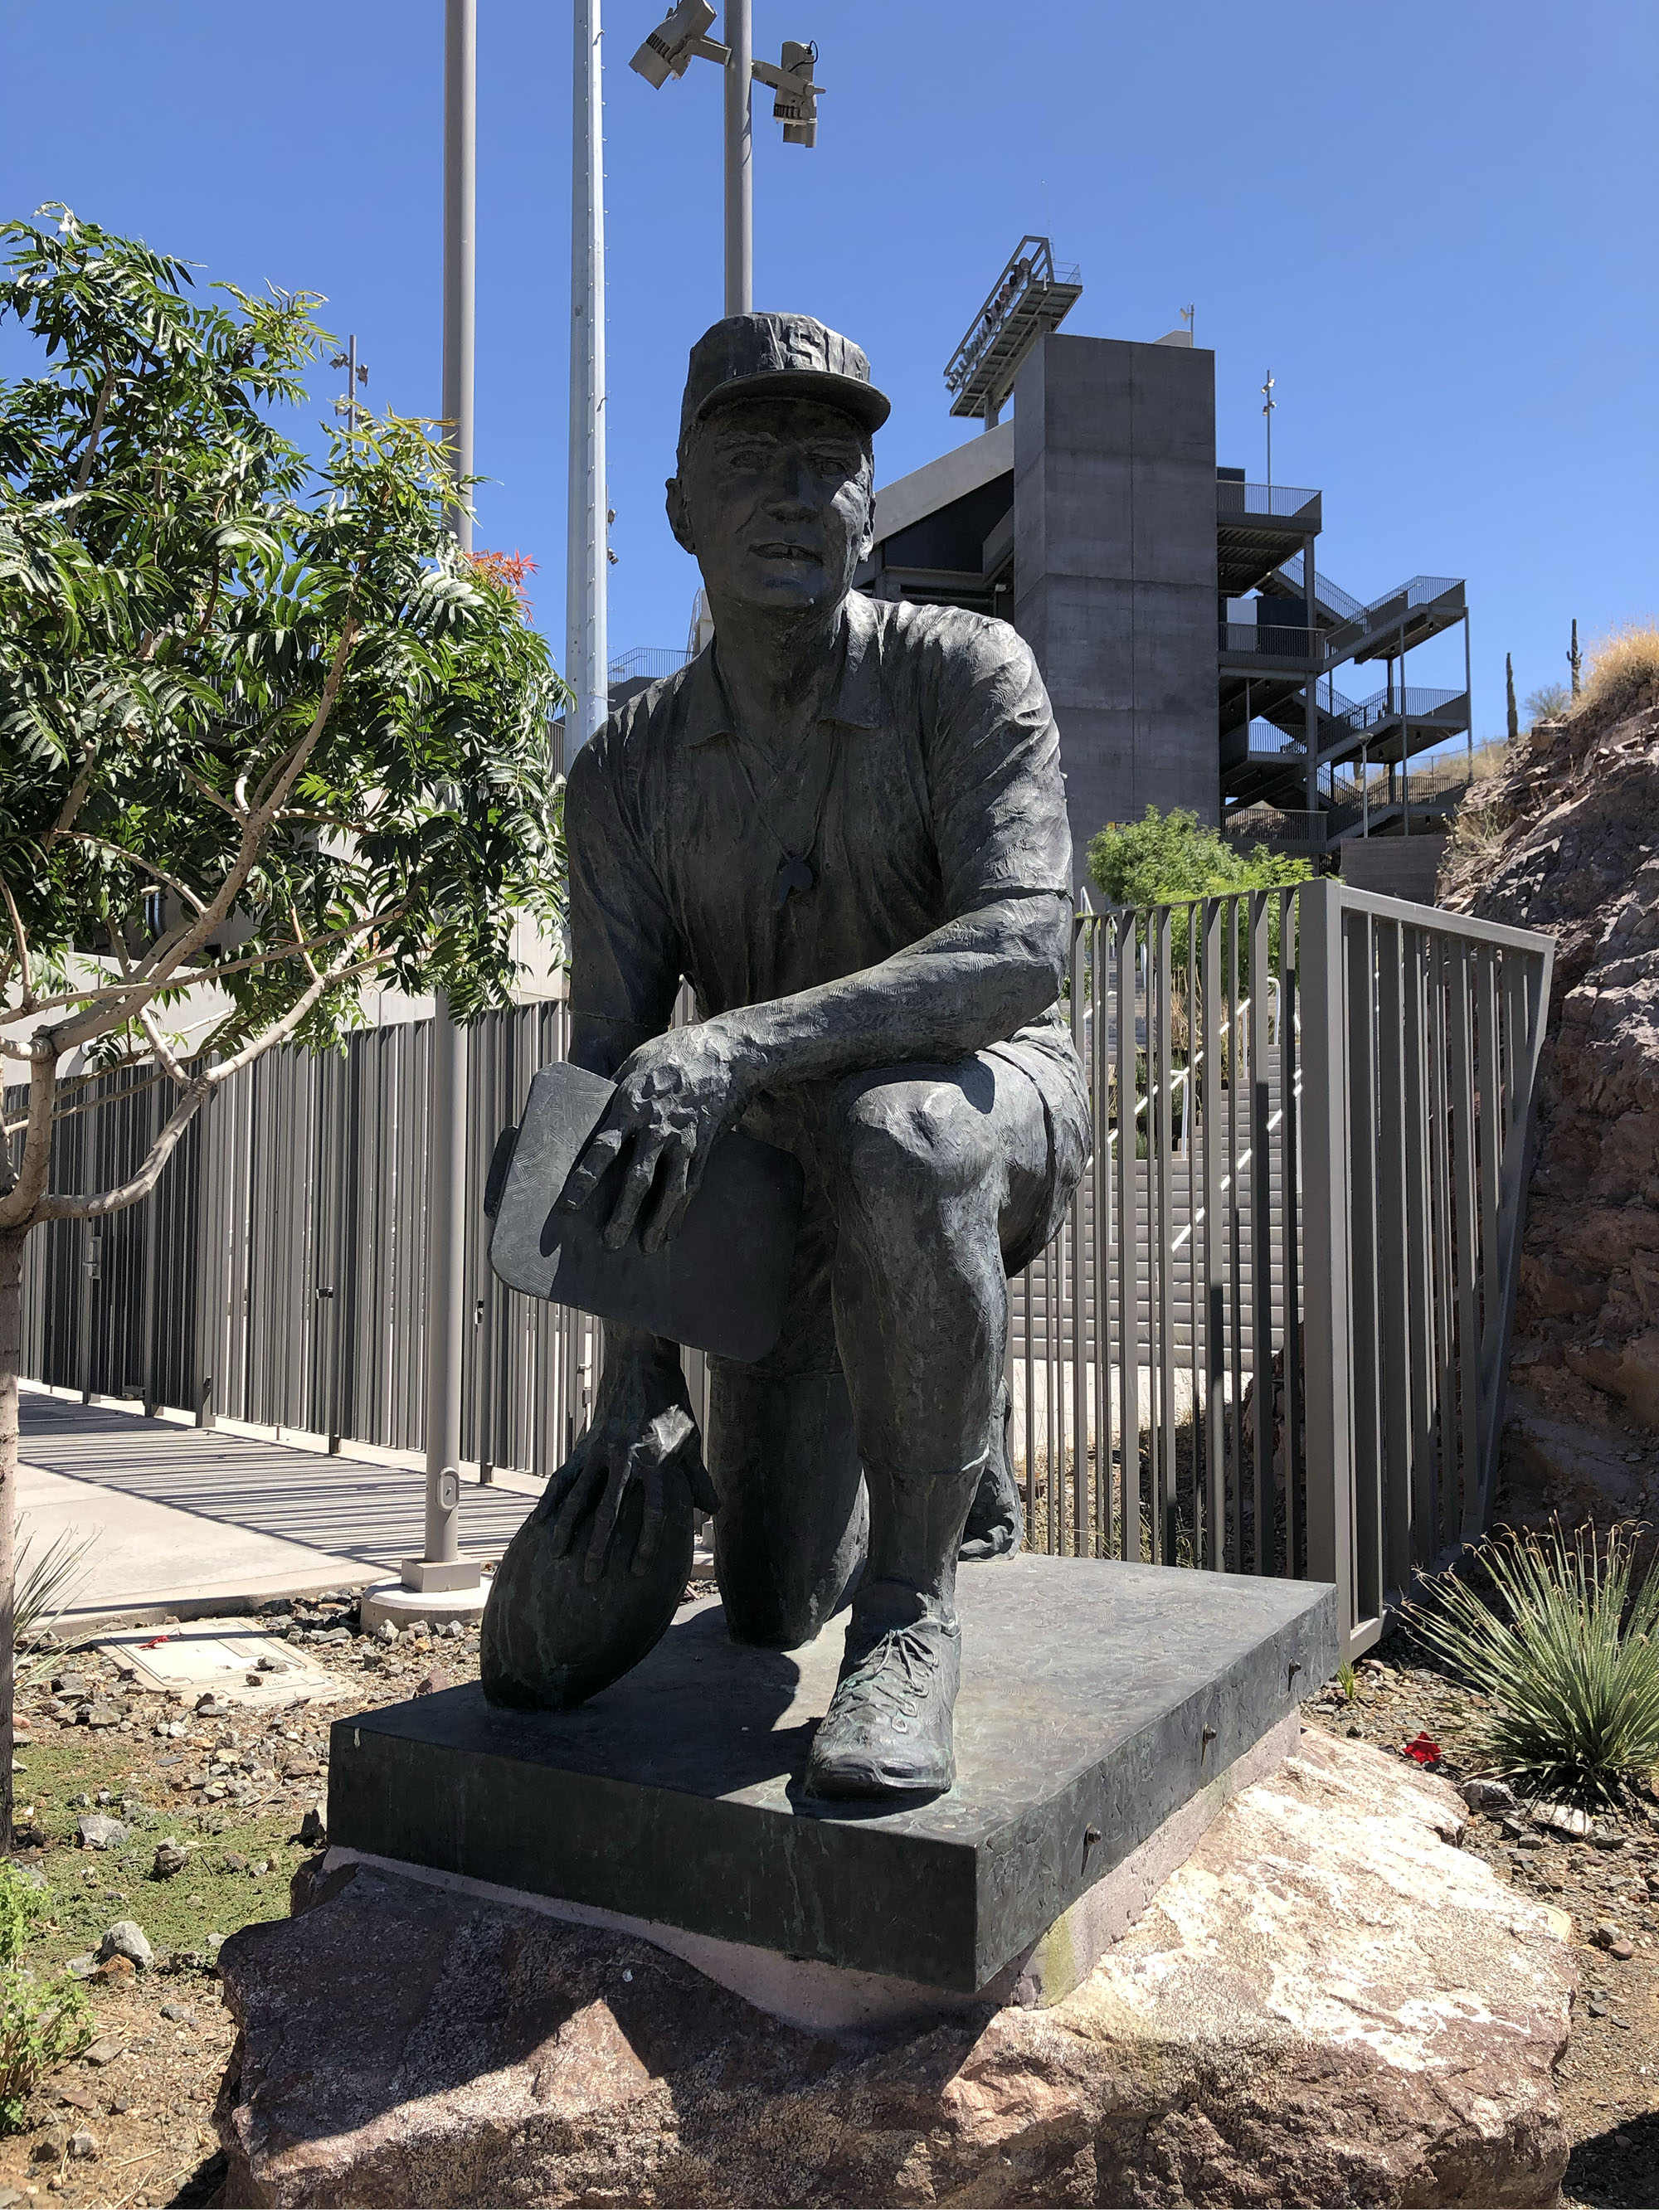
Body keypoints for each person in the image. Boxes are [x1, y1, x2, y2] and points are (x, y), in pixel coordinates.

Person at [533, 312, 1087, 1800]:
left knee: (900, 1136)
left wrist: (738, 1048)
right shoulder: (628, 772)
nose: (795, 494)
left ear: (865, 502)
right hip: (779, 1151)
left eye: (831, 464)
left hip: (992, 1092)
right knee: (770, 1597)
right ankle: (933, 1430)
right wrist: (630, 1394)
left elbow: (1024, 945)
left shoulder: (965, 672)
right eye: (751, 462)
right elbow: (608, 1069)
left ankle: (913, 1614)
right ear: (678, 511)